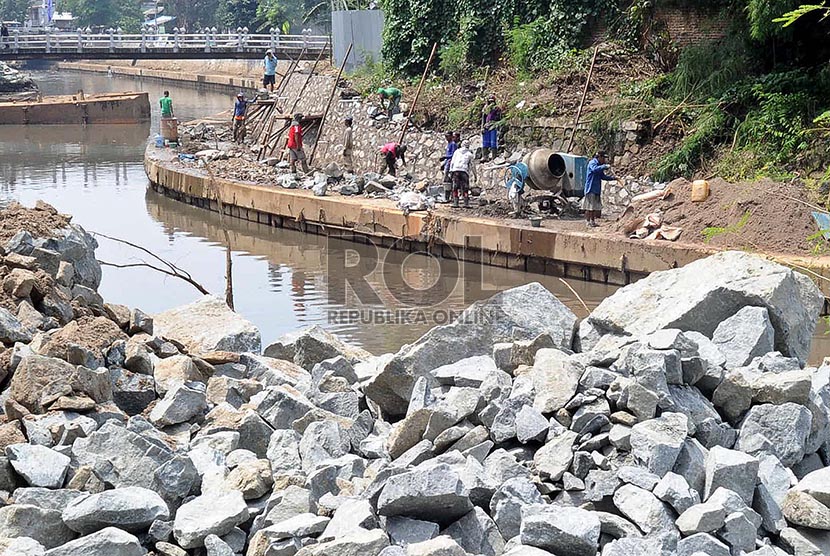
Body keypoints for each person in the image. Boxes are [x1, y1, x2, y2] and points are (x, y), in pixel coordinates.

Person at [583, 151, 615, 228]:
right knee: (589, 207)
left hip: (596, 189)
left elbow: (603, 176)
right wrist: (604, 166)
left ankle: (593, 221)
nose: (604, 160)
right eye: (603, 158)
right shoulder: (592, 163)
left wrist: (613, 178)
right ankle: (587, 222)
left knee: (594, 207)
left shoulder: (600, 166)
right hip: (590, 188)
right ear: (599, 157)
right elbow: (594, 169)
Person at [449, 140, 477, 208]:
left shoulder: (456, 152)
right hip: (464, 171)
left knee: (455, 187)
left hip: (455, 170)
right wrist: (475, 175)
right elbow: (473, 166)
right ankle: (466, 203)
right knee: (465, 188)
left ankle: (456, 203)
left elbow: (452, 162)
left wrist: (450, 171)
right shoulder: (470, 154)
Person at [481, 95, 502, 162]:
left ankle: (494, 156)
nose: (491, 103)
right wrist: (482, 127)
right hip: (486, 126)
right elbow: (483, 118)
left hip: (493, 126)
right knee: (485, 142)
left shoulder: (497, 108)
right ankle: (485, 156)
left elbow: (498, 118)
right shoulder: (486, 108)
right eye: (489, 101)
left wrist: (494, 123)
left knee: (493, 142)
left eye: (492, 101)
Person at [440, 131, 458, 202]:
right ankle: (448, 197)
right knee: (446, 180)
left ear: (451, 136)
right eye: (445, 136)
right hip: (447, 163)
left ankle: (449, 197)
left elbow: (453, 155)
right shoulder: (449, 144)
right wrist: (444, 164)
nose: (446, 138)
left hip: (451, 164)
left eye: (447, 136)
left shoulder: (453, 144)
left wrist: (445, 157)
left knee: (448, 181)